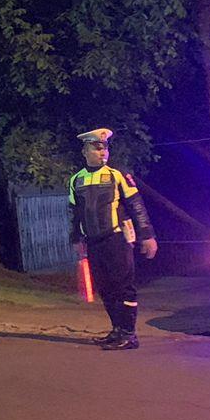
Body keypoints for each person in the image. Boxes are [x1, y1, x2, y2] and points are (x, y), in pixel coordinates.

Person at [68, 128, 158, 351]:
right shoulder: (76, 180)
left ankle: (129, 334)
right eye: (97, 148)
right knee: (105, 287)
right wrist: (76, 237)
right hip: (94, 241)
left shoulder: (117, 174)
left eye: (105, 147)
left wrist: (147, 236)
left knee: (123, 286)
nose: (102, 152)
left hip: (116, 239)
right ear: (85, 151)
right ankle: (117, 330)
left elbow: (136, 206)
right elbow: (75, 212)